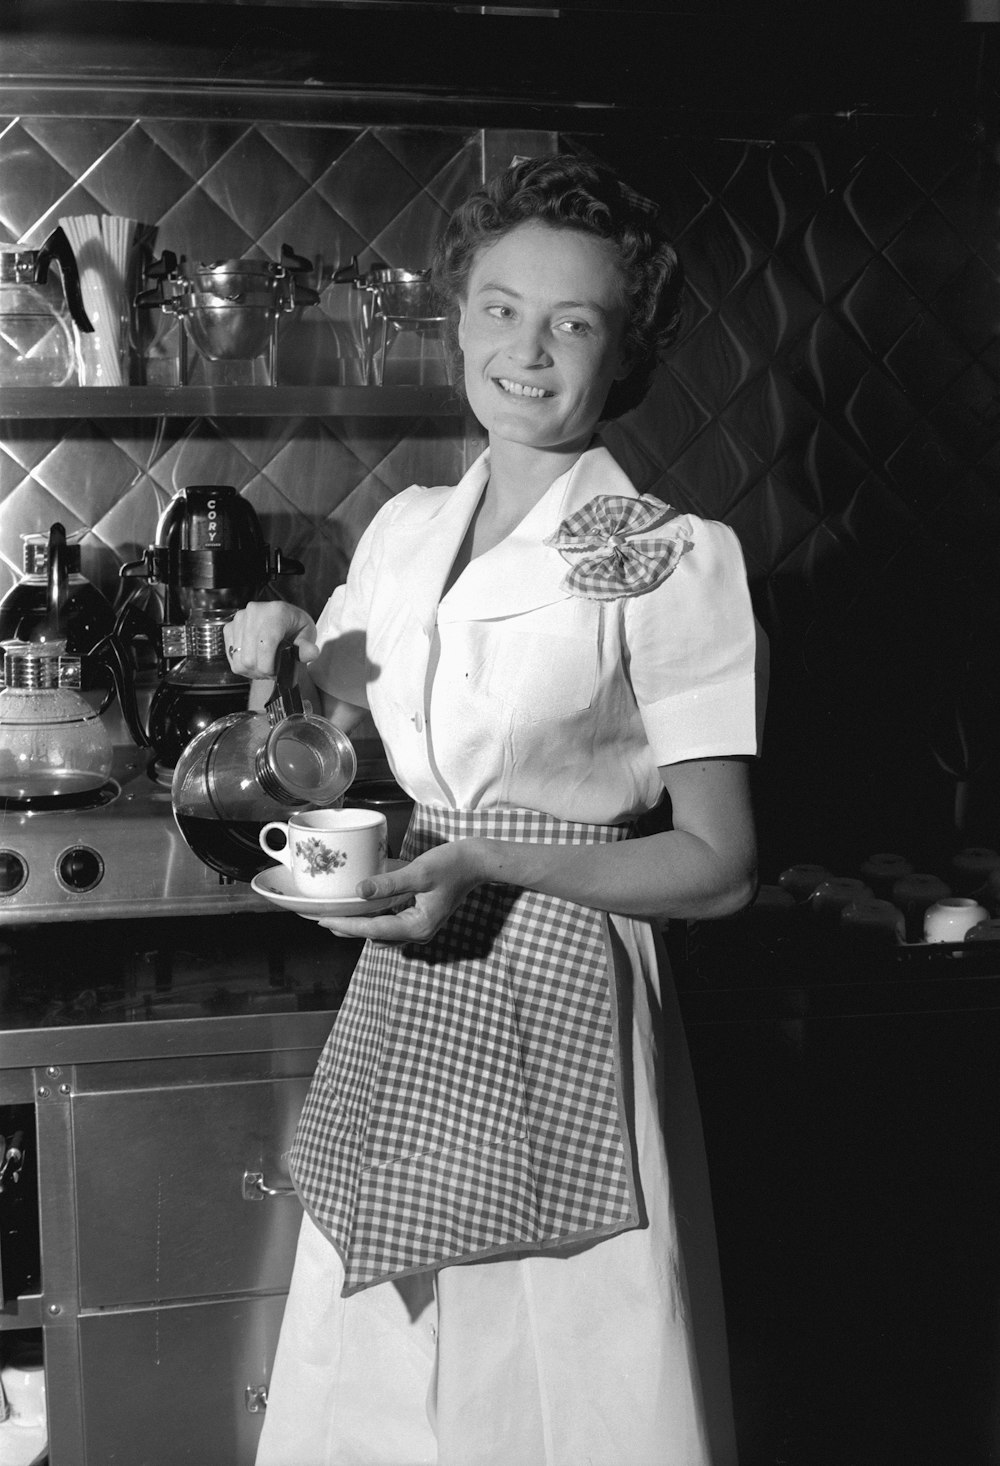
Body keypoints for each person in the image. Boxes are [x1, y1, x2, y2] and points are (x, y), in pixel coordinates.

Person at [227, 154, 766, 1466]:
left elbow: (721, 864)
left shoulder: (658, 549)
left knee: (555, 1383)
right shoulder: (411, 526)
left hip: (565, 981)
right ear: (459, 317)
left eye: (574, 322)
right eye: (501, 307)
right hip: (415, 972)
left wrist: (490, 855)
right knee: (383, 1372)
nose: (528, 349)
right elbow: (337, 744)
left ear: (625, 352)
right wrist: (294, 655)